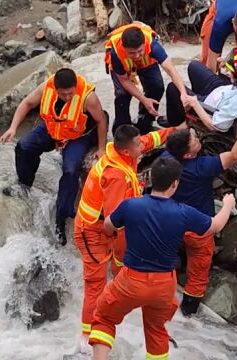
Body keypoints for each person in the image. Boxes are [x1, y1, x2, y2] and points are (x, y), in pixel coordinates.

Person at [89, 156, 236, 360]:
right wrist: (228, 204)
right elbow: (215, 225)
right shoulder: (183, 212)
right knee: (156, 330)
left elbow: (108, 227)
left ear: (150, 178)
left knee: (104, 317)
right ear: (175, 184)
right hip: (164, 285)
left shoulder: (131, 205)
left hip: (131, 280)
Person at [72, 124, 181, 338]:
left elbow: (149, 139)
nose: (142, 145)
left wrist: (175, 129)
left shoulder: (121, 152)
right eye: (137, 144)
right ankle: (88, 338)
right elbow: (115, 218)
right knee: (95, 284)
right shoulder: (117, 177)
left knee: (121, 266)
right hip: (93, 231)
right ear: (126, 151)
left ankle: (115, 302)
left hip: (106, 228)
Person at [0, 68, 108, 245]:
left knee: (70, 170)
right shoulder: (46, 87)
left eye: (70, 93)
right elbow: (27, 103)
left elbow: (101, 120)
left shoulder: (88, 98)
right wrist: (13, 127)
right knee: (24, 146)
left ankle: (61, 216)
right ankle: (24, 184)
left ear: (75, 87)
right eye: (63, 94)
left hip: (77, 135)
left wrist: (101, 147)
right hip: (52, 128)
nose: (67, 97)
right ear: (56, 89)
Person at [164, 109, 237, 315]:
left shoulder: (166, 159)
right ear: (188, 154)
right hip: (199, 229)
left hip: (172, 223)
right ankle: (189, 309)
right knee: (198, 269)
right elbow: (236, 155)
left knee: (169, 255)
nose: (198, 138)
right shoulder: (201, 167)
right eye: (194, 140)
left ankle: (173, 273)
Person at [105, 22, 189, 135]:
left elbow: (171, 70)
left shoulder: (153, 45)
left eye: (140, 51)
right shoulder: (116, 52)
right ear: (124, 48)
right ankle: (122, 128)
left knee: (157, 86)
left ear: (144, 44)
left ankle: (145, 120)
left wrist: (183, 93)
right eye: (132, 53)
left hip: (147, 63)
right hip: (123, 65)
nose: (137, 56)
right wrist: (143, 99)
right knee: (122, 96)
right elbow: (124, 80)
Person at [162, 48, 237, 133]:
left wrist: (195, 104)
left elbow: (215, 126)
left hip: (210, 106)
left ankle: (177, 124)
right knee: (193, 66)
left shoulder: (236, 105)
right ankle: (192, 105)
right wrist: (229, 63)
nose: (228, 73)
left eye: (231, 72)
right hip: (225, 90)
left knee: (173, 88)